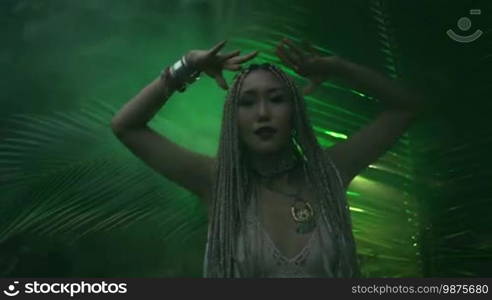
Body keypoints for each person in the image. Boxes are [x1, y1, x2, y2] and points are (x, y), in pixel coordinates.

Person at [110, 38, 422, 278]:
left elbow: (406, 107)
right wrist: (187, 65)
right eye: (247, 103)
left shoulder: (329, 172)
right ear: (234, 118)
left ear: (295, 112)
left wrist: (337, 68)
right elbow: (126, 126)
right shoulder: (217, 182)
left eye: (276, 100)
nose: (263, 114)